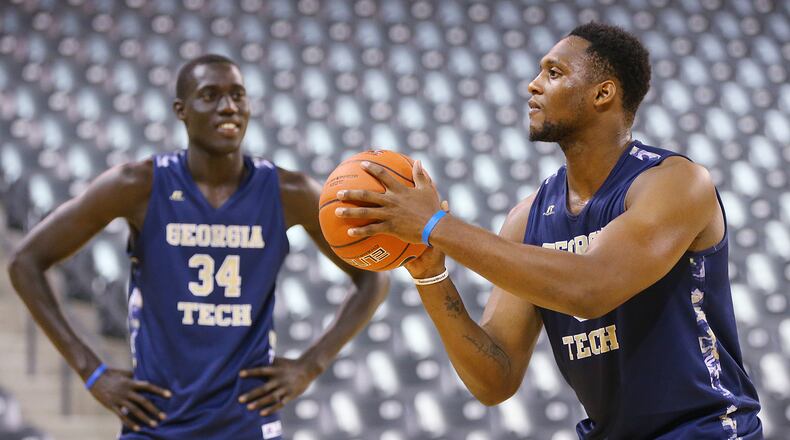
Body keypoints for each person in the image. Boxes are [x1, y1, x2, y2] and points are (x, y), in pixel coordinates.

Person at [335, 22, 762, 439]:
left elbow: (591, 290)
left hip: (707, 428)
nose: (532, 85)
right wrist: (429, 273)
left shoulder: (675, 182)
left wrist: (435, 226)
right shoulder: (528, 218)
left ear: (603, 93)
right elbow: (494, 379)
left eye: (553, 73)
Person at [8, 54, 389, 439]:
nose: (229, 106)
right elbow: (26, 262)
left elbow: (374, 277)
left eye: (238, 95)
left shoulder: (288, 192)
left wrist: (312, 365)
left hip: (247, 421)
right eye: (211, 95)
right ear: (181, 110)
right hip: (157, 422)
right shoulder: (137, 186)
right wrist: (91, 370)